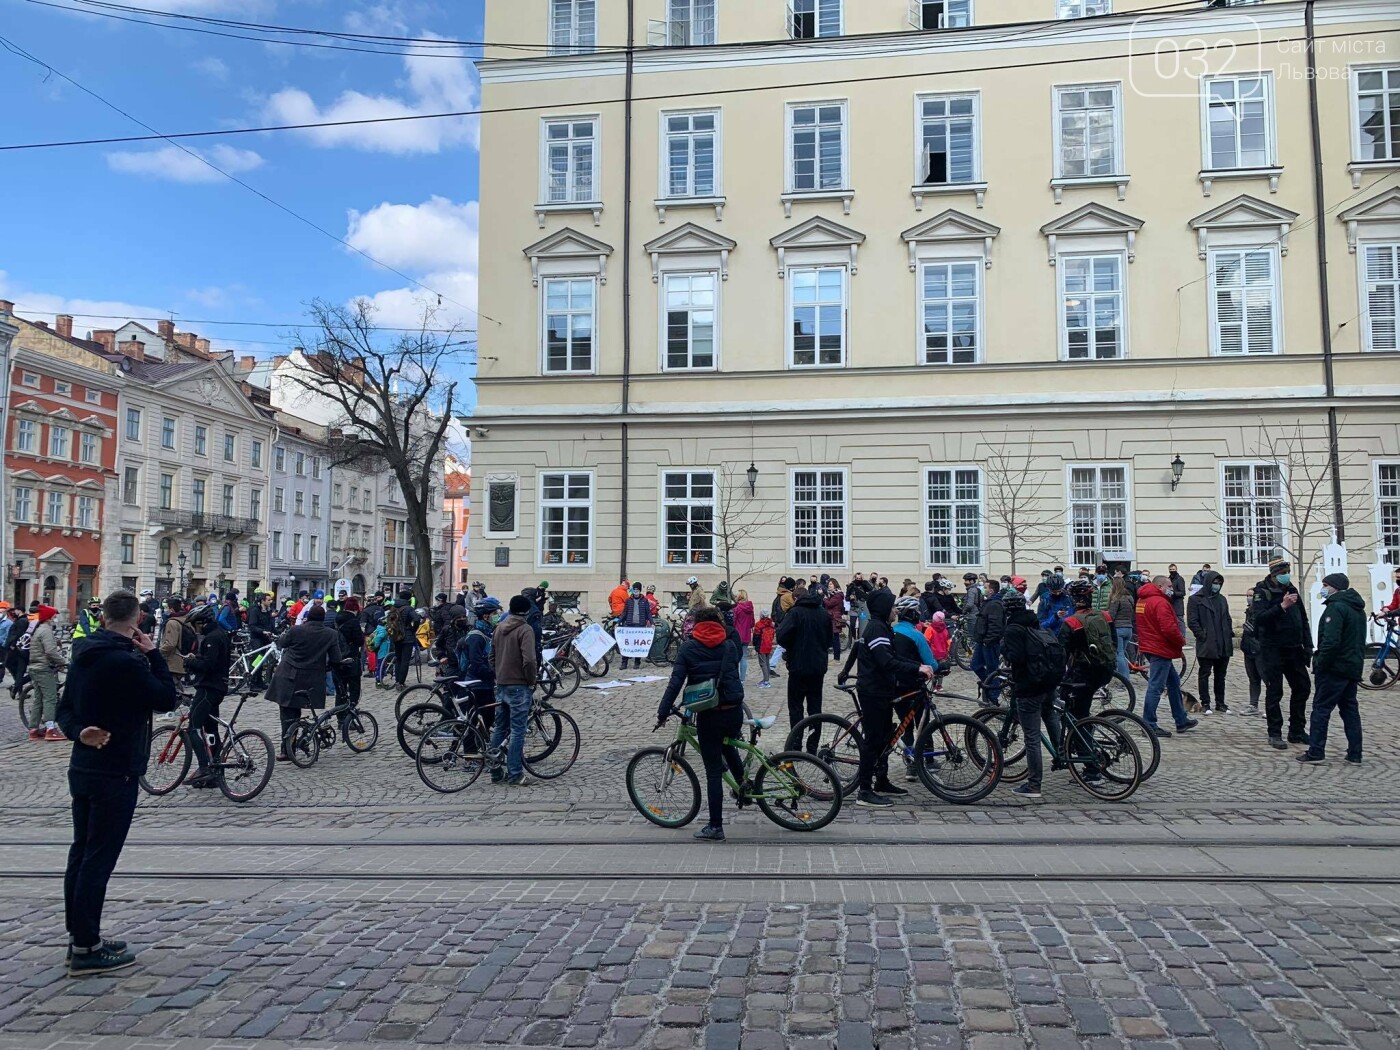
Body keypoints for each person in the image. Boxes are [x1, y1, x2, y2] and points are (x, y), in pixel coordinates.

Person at [56, 589, 179, 975]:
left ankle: (79, 936)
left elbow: (64, 712)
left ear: (104, 616)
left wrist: (80, 733)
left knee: (81, 853)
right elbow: (165, 699)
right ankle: (87, 948)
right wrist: (154, 654)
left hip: (83, 767)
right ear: (138, 619)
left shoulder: (83, 655)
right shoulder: (126, 663)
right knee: (98, 859)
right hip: (117, 769)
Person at [837, 588, 932, 809]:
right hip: (873, 691)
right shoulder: (877, 629)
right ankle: (864, 790)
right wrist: (917, 668)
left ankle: (881, 780)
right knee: (873, 739)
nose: (895, 610)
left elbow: (893, 656)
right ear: (883, 609)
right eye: (892, 607)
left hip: (883, 689)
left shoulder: (882, 627)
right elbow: (886, 661)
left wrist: (916, 667)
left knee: (886, 735)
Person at [657, 605, 746, 842]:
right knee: (728, 745)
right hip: (734, 710)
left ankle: (715, 826)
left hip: (710, 712)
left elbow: (675, 682)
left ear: (696, 624)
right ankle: (743, 788)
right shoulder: (728, 645)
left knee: (713, 771)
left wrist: (663, 711)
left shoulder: (688, 648)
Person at [999, 590, 1066, 800]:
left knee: (1032, 736)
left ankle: (1034, 784)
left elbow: (1017, 657)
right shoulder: (1033, 621)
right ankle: (1061, 755)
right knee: (1051, 717)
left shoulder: (1013, 628)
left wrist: (1005, 651)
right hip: (1047, 681)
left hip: (1029, 685)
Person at [1296, 573, 1366, 764]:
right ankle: (1355, 753)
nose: (1323, 588)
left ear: (1335, 587)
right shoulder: (1356, 608)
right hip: (1352, 666)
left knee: (1321, 709)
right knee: (1350, 709)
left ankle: (1316, 751)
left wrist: (1321, 663)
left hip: (1334, 668)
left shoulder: (1336, 608)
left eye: (1326, 585)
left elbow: (1331, 641)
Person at [266, 605, 347, 759]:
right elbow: (336, 658)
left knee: (287, 713)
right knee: (301, 710)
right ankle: (299, 741)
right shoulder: (330, 634)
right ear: (323, 619)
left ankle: (287, 749)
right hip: (310, 679)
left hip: (288, 675)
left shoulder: (296, 629)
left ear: (308, 617)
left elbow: (282, 643)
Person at [1253, 555, 1313, 750]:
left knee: (1303, 687)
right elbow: (1260, 619)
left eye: (1288, 572)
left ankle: (1296, 729)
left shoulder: (1292, 589)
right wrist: (1281, 606)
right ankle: (1275, 732)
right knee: (1274, 691)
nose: (1286, 576)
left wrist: (1308, 645)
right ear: (1274, 574)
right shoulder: (1262, 591)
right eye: (1283, 573)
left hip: (1294, 648)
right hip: (1272, 649)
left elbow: (1303, 619)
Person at [1060, 581, 1118, 780]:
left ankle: (1090, 765)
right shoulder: (1106, 616)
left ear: (1072, 599)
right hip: (1105, 670)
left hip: (1082, 674)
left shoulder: (1072, 622)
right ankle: (1084, 740)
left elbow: (1061, 655)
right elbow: (1114, 643)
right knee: (1081, 712)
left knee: (1076, 717)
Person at [1137, 576, 1197, 738]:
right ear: (1159, 586)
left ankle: (1181, 719)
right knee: (1156, 687)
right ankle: (1148, 724)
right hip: (1159, 648)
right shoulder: (1160, 602)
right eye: (1169, 586)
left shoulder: (1142, 601)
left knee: (1173, 682)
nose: (1172, 588)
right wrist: (1180, 641)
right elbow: (1169, 628)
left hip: (1150, 646)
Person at [776, 581, 831, 751]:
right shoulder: (823, 613)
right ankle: (812, 745)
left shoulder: (795, 613)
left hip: (798, 667)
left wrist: (791, 646)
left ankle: (796, 742)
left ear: (796, 598)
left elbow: (781, 636)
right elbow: (829, 640)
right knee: (815, 709)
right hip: (817, 668)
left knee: (796, 708)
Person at [490, 595, 539, 787]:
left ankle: (495, 771)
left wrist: (498, 673)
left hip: (502, 683)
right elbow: (529, 660)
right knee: (518, 731)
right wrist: (531, 680)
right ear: (526, 611)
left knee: (500, 728)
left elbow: (491, 656)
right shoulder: (525, 629)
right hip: (519, 684)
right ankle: (515, 774)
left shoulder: (499, 627)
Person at [183, 603, 231, 789]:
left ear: (202, 622)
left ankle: (205, 767)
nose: (194, 628)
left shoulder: (211, 637)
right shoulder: (220, 634)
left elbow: (209, 665)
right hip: (218, 687)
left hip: (208, 688)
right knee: (211, 729)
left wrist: (191, 662)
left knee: (193, 728)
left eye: (195, 624)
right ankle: (216, 773)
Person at [1187, 570, 1234, 715]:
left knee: (1221, 675)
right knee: (1204, 674)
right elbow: (1192, 621)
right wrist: (1202, 635)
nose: (1217, 586)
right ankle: (1205, 702)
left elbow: (1227, 618)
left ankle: (1220, 702)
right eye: (1215, 583)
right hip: (1207, 643)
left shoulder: (1222, 599)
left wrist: (1228, 632)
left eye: (1219, 583)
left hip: (1223, 642)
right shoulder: (1196, 599)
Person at [29, 605, 67, 741]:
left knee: (38, 699)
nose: (56, 618)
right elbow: (50, 651)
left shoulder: (39, 629)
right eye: (54, 616)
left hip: (34, 667)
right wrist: (63, 661)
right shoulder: (46, 631)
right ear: (50, 617)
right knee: (50, 698)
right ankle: (50, 729)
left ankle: (33, 729)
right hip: (43, 668)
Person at [970, 579, 1006, 701]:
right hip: (982, 641)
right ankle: (990, 686)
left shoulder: (995, 604)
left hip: (989, 642)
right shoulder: (989, 602)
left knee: (992, 669)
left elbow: (995, 625)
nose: (982, 588)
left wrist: (988, 640)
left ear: (991, 589)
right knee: (975, 665)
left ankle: (993, 694)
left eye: (985, 587)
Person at [333, 602, 366, 729]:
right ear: (355, 610)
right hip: (351, 659)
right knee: (353, 691)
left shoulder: (336, 619)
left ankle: (340, 720)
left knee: (340, 692)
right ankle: (349, 718)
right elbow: (359, 641)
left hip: (337, 659)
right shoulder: (353, 622)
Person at [619, 582, 654, 670]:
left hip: (640, 625)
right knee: (627, 645)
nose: (635, 591)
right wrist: (618, 622)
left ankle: (637, 662)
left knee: (638, 645)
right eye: (634, 589)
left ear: (640, 590)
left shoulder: (644, 600)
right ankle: (624, 663)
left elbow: (648, 613)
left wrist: (652, 623)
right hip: (629, 625)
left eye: (637, 590)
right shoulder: (628, 600)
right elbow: (624, 613)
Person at [1107, 574, 1136, 679]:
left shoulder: (1116, 598)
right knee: (1122, 654)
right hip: (1129, 628)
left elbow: (1111, 615)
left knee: (1119, 655)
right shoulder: (1129, 597)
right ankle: (1124, 675)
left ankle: (1125, 679)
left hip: (1118, 629)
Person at [1240, 587, 1263, 715]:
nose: (1249, 598)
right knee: (1253, 679)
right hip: (1248, 649)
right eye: (1247, 595)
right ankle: (1253, 704)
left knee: (1265, 678)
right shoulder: (1248, 611)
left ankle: (1271, 705)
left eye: (1251, 595)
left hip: (1259, 649)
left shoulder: (1261, 611)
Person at [732, 590, 755, 681]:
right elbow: (752, 623)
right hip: (746, 635)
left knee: (736, 658)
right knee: (744, 657)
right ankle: (742, 679)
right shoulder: (750, 608)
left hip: (737, 635)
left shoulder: (736, 608)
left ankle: (736, 677)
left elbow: (733, 622)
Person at [752, 611, 776, 689]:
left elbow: (756, 636)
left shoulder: (759, 625)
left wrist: (755, 645)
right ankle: (766, 679)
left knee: (763, 664)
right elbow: (772, 635)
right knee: (767, 663)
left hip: (761, 646)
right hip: (768, 645)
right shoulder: (771, 624)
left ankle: (766, 681)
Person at [822, 585, 845, 660]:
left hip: (834, 618)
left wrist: (825, 599)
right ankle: (836, 658)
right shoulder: (834, 595)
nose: (829, 586)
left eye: (831, 584)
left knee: (835, 638)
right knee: (834, 638)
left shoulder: (837, 596)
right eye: (828, 584)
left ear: (835, 586)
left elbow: (829, 604)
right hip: (832, 617)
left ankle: (836, 659)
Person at [1166, 564, 1188, 639]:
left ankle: (1182, 636)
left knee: (1179, 621)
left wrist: (1173, 593)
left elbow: (1183, 592)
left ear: (1176, 569)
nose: (1172, 571)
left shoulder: (1179, 579)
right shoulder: (1168, 579)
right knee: (1172, 621)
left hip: (1178, 604)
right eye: (1170, 569)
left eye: (1173, 569)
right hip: (1170, 603)